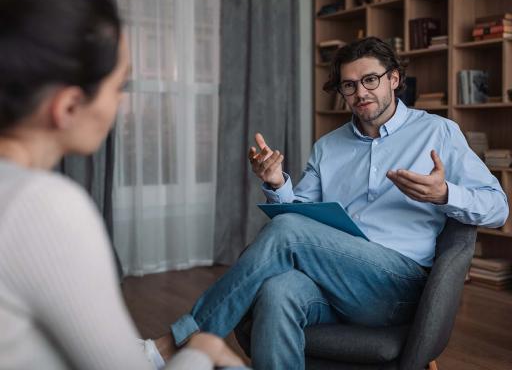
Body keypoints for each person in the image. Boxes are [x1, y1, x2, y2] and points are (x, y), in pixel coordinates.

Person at [159, 36, 509, 369]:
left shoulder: (438, 132)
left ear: (394, 79)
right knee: (276, 291)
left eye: (370, 80)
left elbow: (498, 208)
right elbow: (302, 213)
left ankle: (184, 339)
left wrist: (445, 194)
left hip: (398, 287)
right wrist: (277, 182)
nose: (361, 92)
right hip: (334, 281)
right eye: (349, 85)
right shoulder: (328, 146)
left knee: (288, 231)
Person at [0, 0, 246, 369]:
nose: (122, 102)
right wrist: (205, 351)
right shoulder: (41, 206)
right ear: (68, 106)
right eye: (120, 87)